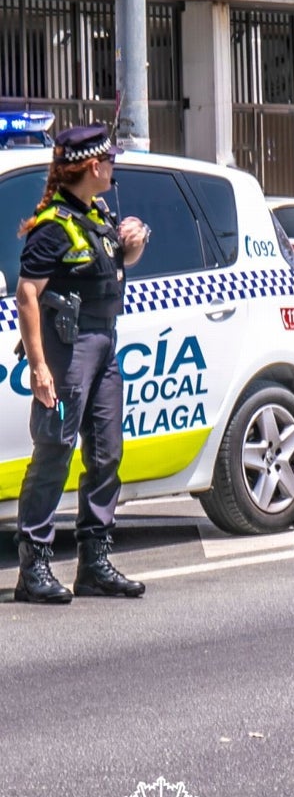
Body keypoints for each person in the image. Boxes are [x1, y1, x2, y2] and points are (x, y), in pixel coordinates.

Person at [13, 123, 150, 604]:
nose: (113, 167)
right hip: (68, 349)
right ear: (93, 166)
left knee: (107, 452)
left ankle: (94, 563)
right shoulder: (53, 224)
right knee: (54, 451)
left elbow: (111, 266)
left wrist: (134, 240)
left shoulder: (97, 213)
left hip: (104, 344)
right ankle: (34, 567)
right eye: (109, 161)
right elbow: (27, 294)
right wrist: (39, 366)